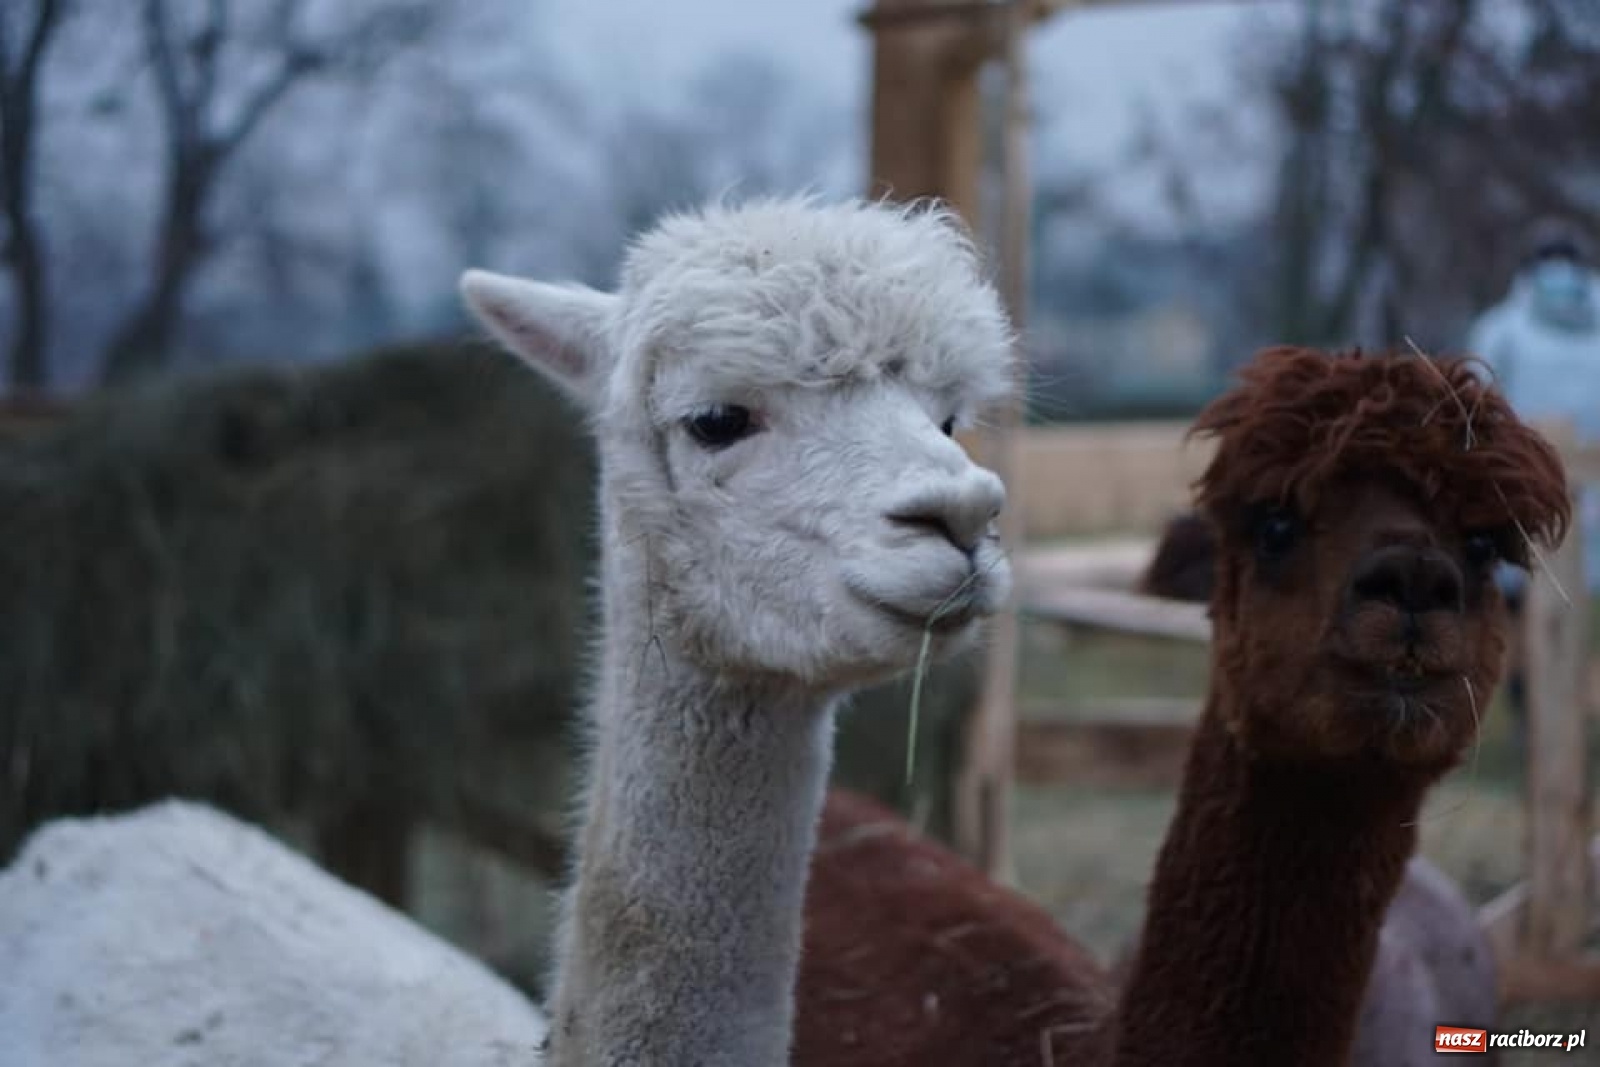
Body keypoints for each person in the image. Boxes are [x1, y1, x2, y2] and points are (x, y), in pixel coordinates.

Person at [1467, 219, 1600, 734]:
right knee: (1528, 612)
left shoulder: (1505, 327)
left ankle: (1560, 727)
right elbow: (1476, 405)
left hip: (1569, 502)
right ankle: (1535, 723)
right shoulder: (1503, 330)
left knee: (1564, 615)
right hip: (1523, 499)